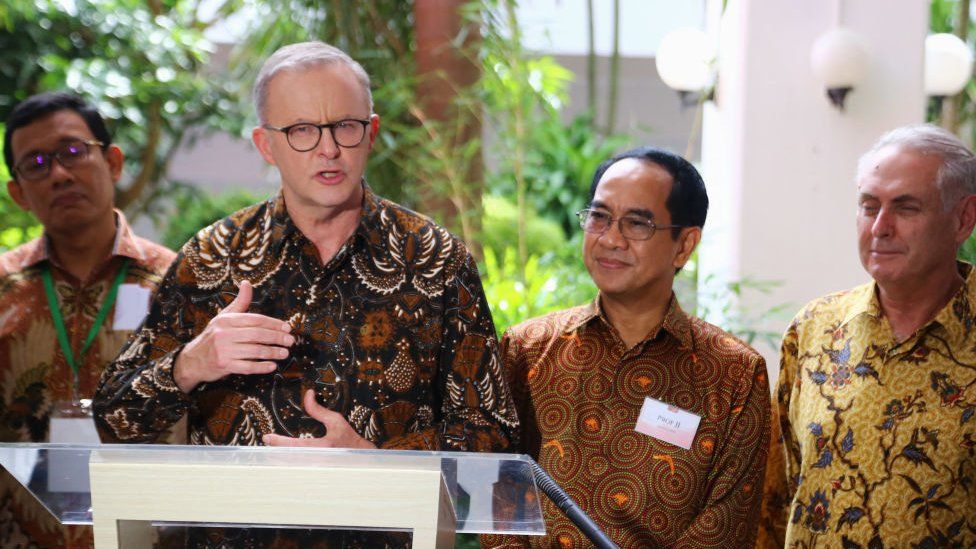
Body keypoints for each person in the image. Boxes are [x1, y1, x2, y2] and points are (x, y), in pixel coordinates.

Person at [92, 41, 518, 546]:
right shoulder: (212, 258)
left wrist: (377, 459)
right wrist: (192, 362)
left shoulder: (437, 260)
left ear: (372, 133)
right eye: (301, 131)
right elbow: (114, 420)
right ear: (265, 145)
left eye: (345, 126)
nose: (328, 148)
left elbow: (493, 439)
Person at [485, 147, 771, 548]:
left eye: (637, 223)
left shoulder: (734, 374)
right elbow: (498, 498)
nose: (611, 239)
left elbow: (725, 528)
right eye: (599, 217)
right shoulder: (528, 349)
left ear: (684, 245)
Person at [758, 124, 976, 547]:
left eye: (906, 208)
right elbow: (776, 498)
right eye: (868, 206)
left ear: (963, 218)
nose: (880, 227)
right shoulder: (814, 328)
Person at [0, 91, 176, 546]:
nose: (59, 173)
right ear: (17, 193)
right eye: (36, 164)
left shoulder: (180, 285)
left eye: (73, 152)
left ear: (113, 162)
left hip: (149, 535)